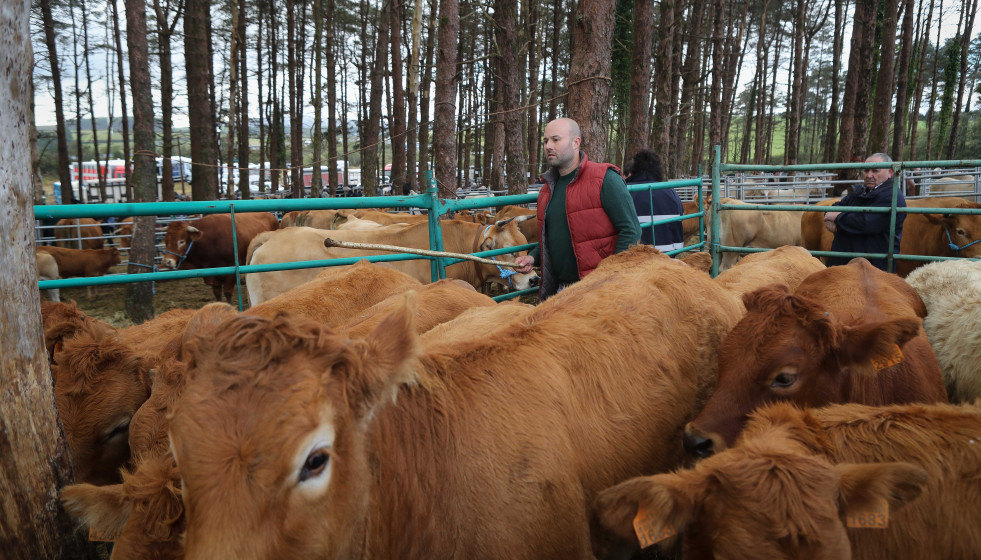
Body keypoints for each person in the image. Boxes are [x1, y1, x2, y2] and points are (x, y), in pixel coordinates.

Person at [513, 118, 641, 299]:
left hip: (600, 290)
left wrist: (612, 278)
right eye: (546, 141)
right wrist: (532, 257)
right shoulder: (546, 190)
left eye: (555, 140)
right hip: (561, 291)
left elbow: (631, 230)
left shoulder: (604, 178)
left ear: (576, 142)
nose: (548, 146)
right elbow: (552, 238)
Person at [823, 153, 905, 272]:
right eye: (866, 170)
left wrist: (836, 217)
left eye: (875, 171)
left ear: (890, 172)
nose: (869, 175)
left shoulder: (892, 197)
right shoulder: (862, 191)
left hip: (871, 268)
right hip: (848, 263)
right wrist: (828, 215)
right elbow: (837, 206)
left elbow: (865, 223)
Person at [624, 149, 684, 252]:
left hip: (637, 255)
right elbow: (681, 214)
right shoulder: (670, 191)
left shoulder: (626, 191)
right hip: (669, 253)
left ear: (634, 169)